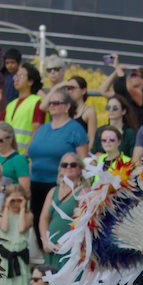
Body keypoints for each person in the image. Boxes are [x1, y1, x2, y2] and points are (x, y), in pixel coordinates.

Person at [27, 90, 90, 221]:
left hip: (60, 186)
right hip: (35, 183)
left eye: (56, 103)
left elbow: (83, 161)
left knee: (56, 222)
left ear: (67, 106)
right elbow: (32, 156)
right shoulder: (43, 128)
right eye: (50, 103)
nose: (52, 105)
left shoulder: (75, 129)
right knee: (38, 221)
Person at [39, 153, 87, 268]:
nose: (68, 167)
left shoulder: (84, 191)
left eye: (73, 165)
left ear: (80, 169)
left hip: (70, 250)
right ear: (60, 169)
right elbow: (44, 218)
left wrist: (66, 244)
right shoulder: (53, 191)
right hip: (51, 249)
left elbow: (85, 222)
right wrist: (46, 242)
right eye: (64, 165)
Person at [4, 63, 44, 156]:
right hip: (9, 157)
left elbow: (37, 133)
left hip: (26, 158)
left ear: (30, 81)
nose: (17, 79)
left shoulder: (36, 102)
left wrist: (24, 156)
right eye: (16, 76)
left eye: (21, 76)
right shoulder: (11, 105)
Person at [0, 122, 31, 192]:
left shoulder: (19, 160)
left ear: (10, 138)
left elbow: (25, 189)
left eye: (0, 140)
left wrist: (2, 188)